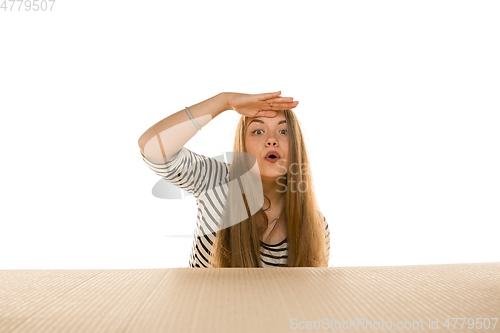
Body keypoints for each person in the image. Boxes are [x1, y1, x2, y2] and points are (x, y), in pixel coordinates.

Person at [138, 91, 330, 268]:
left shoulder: (317, 225)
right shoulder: (218, 182)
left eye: (283, 131)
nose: (272, 140)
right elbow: (153, 150)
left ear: (296, 146)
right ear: (242, 145)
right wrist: (224, 101)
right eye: (258, 131)